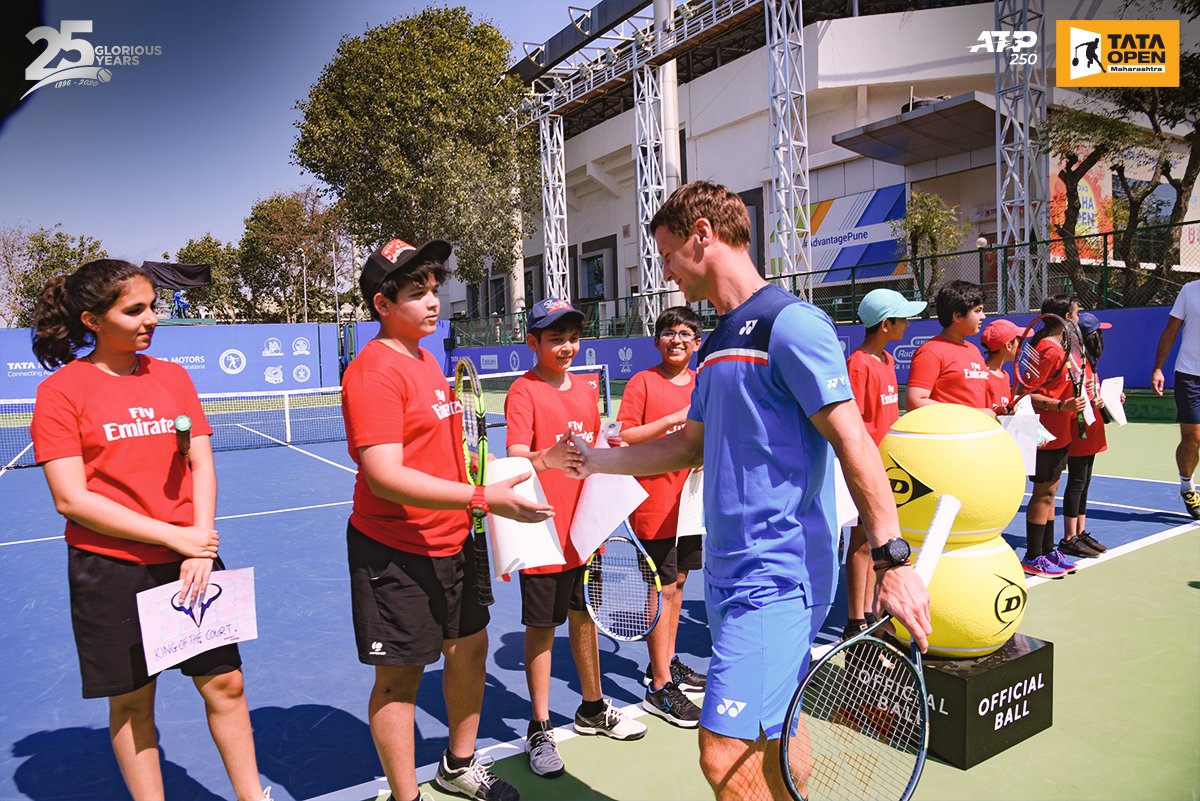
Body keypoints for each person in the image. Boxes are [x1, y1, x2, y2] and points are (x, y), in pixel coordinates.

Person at [564, 181, 933, 801]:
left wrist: (893, 558)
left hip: (778, 575)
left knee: (723, 753)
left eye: (667, 255)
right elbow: (689, 446)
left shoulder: (791, 325)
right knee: (776, 733)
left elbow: (854, 442)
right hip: (733, 573)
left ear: (702, 235)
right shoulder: (717, 344)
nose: (666, 273)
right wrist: (598, 461)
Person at [29, 259, 271, 801]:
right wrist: (174, 538)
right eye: (135, 310)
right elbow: (72, 499)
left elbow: (201, 465)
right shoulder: (62, 392)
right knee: (134, 701)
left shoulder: (173, 377)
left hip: (191, 558)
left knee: (226, 684)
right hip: (111, 570)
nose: (152, 319)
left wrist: (199, 543)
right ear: (92, 319)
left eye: (152, 306)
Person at [341, 239, 553, 801]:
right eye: (417, 293)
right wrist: (481, 497)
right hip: (395, 550)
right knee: (399, 678)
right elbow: (384, 474)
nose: (434, 301)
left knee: (470, 649)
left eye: (434, 289)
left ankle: (458, 766)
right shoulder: (374, 372)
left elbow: (443, 456)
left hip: (455, 540)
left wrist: (481, 503)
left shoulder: (427, 359)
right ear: (383, 305)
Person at [504, 297, 647, 779]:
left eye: (572, 337)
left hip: (586, 532)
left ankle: (592, 706)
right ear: (533, 343)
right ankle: (539, 726)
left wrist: (610, 444)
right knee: (542, 628)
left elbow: (593, 448)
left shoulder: (588, 389)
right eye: (554, 338)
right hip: (543, 529)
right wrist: (548, 456)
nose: (566, 346)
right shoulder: (523, 392)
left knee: (584, 617)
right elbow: (516, 457)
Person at [614, 305, 707, 727]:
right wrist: (673, 420)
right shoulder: (642, 382)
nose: (677, 340)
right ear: (657, 341)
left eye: (686, 333)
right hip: (653, 501)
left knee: (680, 582)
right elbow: (625, 435)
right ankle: (659, 685)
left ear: (697, 343)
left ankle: (665, 661)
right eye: (669, 332)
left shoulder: (704, 383)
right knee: (661, 587)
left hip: (693, 501)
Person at [841, 288, 927, 641]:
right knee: (862, 544)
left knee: (880, 543)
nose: (907, 323)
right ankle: (854, 620)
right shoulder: (858, 365)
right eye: (902, 318)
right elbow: (853, 424)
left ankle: (874, 612)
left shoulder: (887, 361)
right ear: (886, 324)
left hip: (888, 467)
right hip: (866, 467)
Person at [1020, 295, 1087, 578]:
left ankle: (1046, 551)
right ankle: (1033, 556)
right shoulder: (1049, 350)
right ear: (1064, 318)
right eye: (1076, 312)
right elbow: (1027, 394)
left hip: (1059, 430)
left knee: (1050, 493)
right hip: (1045, 432)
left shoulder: (1058, 345)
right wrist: (1061, 405)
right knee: (1043, 494)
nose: (1079, 317)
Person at [1060, 312, 1117, 558]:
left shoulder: (1087, 362)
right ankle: (1069, 537)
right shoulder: (1073, 362)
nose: (1100, 337)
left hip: (1092, 430)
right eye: (1097, 333)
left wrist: (1107, 398)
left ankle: (1080, 532)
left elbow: (1090, 395)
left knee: (1084, 483)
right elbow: (1071, 396)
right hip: (1079, 429)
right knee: (1076, 483)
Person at [905, 280, 995, 417]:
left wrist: (996, 410)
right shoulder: (931, 351)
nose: (983, 316)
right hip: (948, 437)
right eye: (978, 311)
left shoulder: (974, 350)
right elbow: (915, 402)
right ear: (957, 316)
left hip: (975, 435)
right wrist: (973, 414)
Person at [1151, 280, 1200, 520]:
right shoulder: (1189, 291)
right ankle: (1187, 486)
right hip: (1190, 376)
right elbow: (1170, 332)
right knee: (1192, 440)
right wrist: (1158, 368)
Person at [980, 318, 1021, 414]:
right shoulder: (981, 375)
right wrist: (994, 412)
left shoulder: (1005, 375)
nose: (1020, 345)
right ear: (1008, 346)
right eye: (1018, 341)